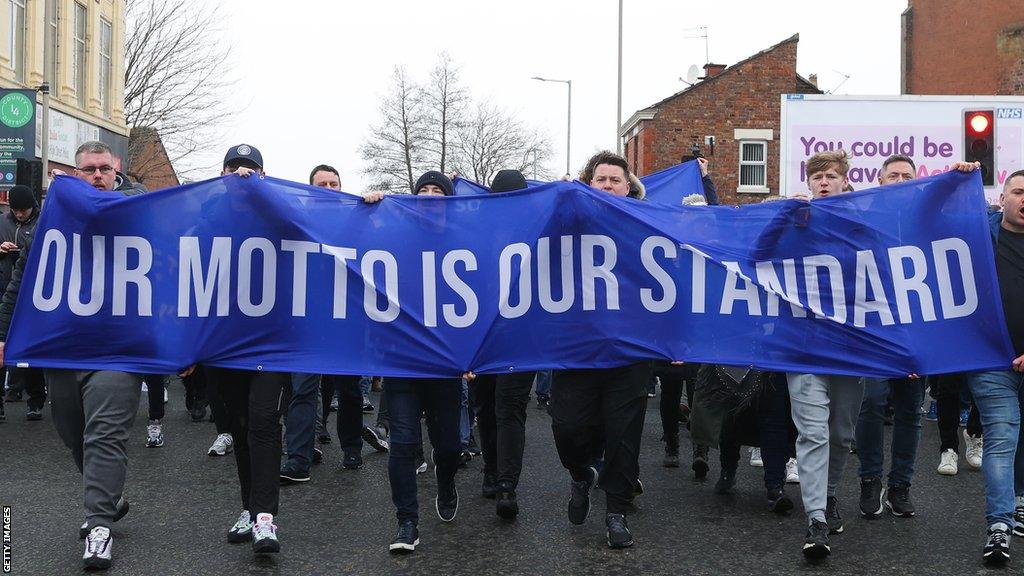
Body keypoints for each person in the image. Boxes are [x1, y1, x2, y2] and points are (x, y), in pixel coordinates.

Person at [0, 141, 147, 570]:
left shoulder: (138, 205)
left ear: (117, 170)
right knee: (72, 430)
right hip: (65, 347)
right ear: (75, 172)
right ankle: (109, 496)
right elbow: (24, 280)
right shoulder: (54, 217)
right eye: (89, 170)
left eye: (105, 169)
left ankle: (97, 525)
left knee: (105, 433)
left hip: (120, 348)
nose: (97, 175)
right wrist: (4, 333)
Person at [856, 155, 982, 518]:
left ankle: (900, 486)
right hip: (876, 333)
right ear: (880, 182)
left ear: (916, 181)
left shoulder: (927, 219)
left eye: (906, 176)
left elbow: (966, 225)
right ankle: (869, 480)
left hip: (917, 334)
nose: (899, 180)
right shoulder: (865, 218)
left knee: (910, 411)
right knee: (872, 402)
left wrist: (959, 178)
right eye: (892, 175)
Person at [549, 151, 651, 549]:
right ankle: (581, 473)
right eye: (600, 180)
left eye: (615, 180)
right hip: (577, 349)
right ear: (588, 185)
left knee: (623, 435)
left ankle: (616, 512)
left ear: (629, 187)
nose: (608, 185)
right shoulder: (569, 223)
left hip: (630, 352)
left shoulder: (647, 226)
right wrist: (558, 199)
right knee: (568, 429)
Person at [366, 171, 463, 554]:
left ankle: (446, 481)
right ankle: (407, 521)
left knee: (448, 445)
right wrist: (369, 207)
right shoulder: (395, 237)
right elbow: (357, 247)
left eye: (437, 190)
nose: (428, 195)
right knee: (403, 444)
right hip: (402, 360)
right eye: (422, 190)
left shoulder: (464, 241)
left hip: (445, 364)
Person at [787, 150, 866, 560]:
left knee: (840, 434)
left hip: (849, 346)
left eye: (831, 175)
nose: (823, 181)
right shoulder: (795, 221)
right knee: (813, 432)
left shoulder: (859, 223)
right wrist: (785, 218)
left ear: (843, 181)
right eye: (817, 175)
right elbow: (755, 253)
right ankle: (816, 517)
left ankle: (829, 493)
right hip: (802, 346)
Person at [469, 169, 538, 520]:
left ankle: (507, 483)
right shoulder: (476, 233)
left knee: (509, 408)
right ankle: (491, 470)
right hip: (483, 338)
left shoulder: (541, 231)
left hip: (523, 338)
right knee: (485, 406)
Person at [969, 169, 1024, 565]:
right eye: (1019, 192)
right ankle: (999, 526)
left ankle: (1018, 500)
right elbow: (925, 226)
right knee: (1002, 439)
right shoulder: (978, 233)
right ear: (1001, 198)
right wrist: (956, 176)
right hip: (992, 361)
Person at [0, 185, 46, 421]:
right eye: (15, 210)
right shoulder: (2, 222)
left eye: (24, 210)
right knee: (1, 343)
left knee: (30, 350)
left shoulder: (42, 224)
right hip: (6, 286)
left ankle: (35, 399)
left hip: (32, 296)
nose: (19, 214)